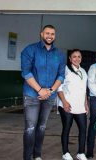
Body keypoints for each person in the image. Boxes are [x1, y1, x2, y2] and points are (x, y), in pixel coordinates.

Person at [21, 24, 66, 160]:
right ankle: (27, 157)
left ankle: (37, 155)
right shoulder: (30, 50)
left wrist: (50, 90)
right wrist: (40, 90)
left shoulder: (59, 54)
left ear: (55, 36)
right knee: (30, 128)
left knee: (41, 127)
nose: (49, 36)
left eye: (52, 34)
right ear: (41, 34)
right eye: (47, 33)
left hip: (49, 96)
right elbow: (26, 72)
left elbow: (61, 75)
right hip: (32, 95)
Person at [57, 49, 89, 160]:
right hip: (67, 105)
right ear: (70, 58)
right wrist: (64, 102)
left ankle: (81, 153)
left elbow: (84, 89)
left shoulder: (83, 71)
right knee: (66, 128)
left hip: (80, 106)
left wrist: (86, 103)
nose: (77, 58)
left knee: (83, 129)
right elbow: (59, 87)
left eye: (79, 56)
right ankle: (65, 153)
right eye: (74, 56)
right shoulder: (65, 70)